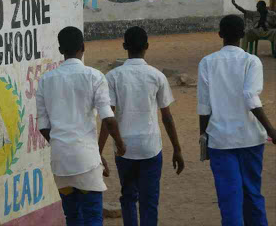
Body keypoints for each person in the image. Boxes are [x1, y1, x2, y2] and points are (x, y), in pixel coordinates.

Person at [36, 26, 125, 226]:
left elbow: (43, 126)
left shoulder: (45, 80)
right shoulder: (94, 76)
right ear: (83, 47)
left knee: (73, 217)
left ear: (60, 50)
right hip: (86, 162)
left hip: (61, 162)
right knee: (93, 216)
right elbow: (108, 119)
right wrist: (120, 144)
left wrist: (62, 143)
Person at [197, 15, 276, 226]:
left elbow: (204, 107)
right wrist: (271, 130)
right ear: (243, 34)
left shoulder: (207, 62)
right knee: (253, 194)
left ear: (220, 35)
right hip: (251, 138)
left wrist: (203, 135)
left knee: (229, 199)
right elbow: (251, 97)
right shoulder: (251, 61)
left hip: (220, 141)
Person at [104, 26, 184, 226]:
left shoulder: (113, 76)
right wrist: (177, 148)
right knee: (149, 201)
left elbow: (108, 117)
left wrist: (98, 150)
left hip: (124, 147)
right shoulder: (157, 76)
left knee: (128, 197)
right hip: (150, 146)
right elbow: (167, 117)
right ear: (147, 46)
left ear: (124, 46)